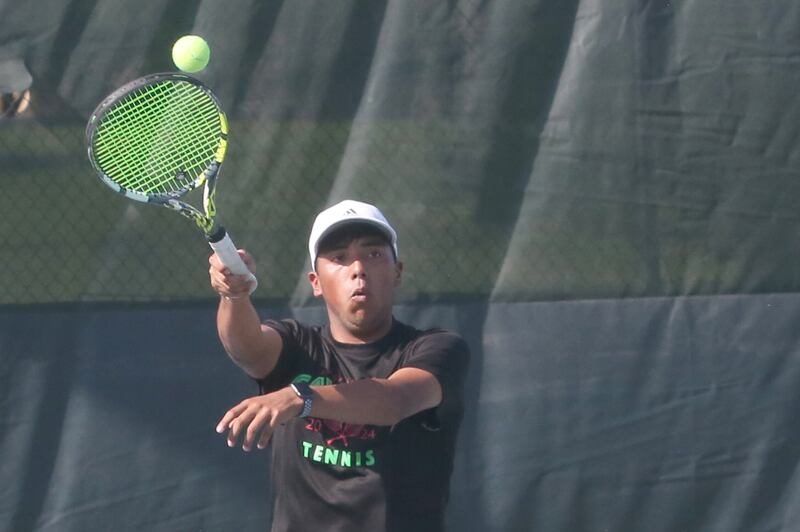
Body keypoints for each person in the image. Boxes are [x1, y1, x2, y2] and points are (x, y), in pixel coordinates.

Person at [209, 199, 470, 532]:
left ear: (397, 272)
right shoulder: (295, 345)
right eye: (339, 258)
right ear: (316, 282)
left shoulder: (437, 348)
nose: (358, 268)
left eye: (373, 254)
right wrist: (234, 295)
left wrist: (299, 398)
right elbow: (247, 348)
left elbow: (395, 400)